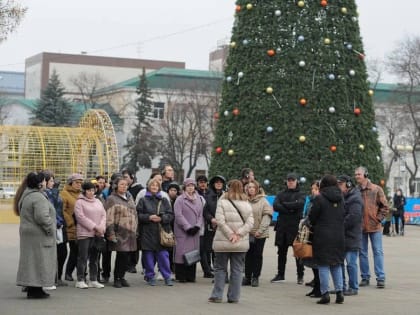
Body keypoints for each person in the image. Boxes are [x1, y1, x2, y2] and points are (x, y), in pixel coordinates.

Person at [208, 179, 253, 303]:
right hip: (240, 242)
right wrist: (238, 234)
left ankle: (217, 295)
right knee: (237, 269)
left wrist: (230, 234)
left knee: (220, 268)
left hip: (222, 241)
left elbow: (219, 221)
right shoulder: (246, 203)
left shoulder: (222, 202)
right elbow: (250, 223)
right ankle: (234, 297)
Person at [15, 171, 57, 299]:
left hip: (29, 234)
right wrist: (51, 229)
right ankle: (36, 289)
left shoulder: (26, 195)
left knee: (30, 262)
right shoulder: (38, 197)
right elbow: (42, 217)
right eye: (44, 180)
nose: (46, 182)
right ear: (39, 183)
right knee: (40, 261)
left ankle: (32, 287)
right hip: (39, 235)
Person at [307, 175, 345, 305]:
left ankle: (325, 294)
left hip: (322, 235)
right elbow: (343, 215)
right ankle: (339, 292)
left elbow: (312, 217)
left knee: (323, 264)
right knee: (336, 263)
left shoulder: (320, 198)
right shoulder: (341, 198)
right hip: (338, 235)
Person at [354, 166, 389, 289]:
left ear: (365, 175)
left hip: (375, 227)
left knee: (378, 252)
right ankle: (365, 277)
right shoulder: (355, 191)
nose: (356, 176)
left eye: (358, 174)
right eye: (356, 174)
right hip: (360, 227)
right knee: (362, 253)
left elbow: (385, 206)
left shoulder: (376, 189)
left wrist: (378, 219)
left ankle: (380, 278)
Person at [137, 178, 174, 286]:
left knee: (163, 256)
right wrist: (149, 217)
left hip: (161, 232)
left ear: (159, 188)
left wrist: (162, 219)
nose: (154, 187)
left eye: (156, 186)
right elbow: (138, 215)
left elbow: (170, 215)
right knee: (148, 256)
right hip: (147, 233)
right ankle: (150, 276)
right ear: (148, 187)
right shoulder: (143, 200)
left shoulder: (164, 200)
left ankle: (167, 276)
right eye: (152, 185)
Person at [271, 173, 305, 284]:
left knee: (298, 253)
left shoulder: (301, 194)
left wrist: (284, 205)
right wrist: (290, 208)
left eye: (292, 180)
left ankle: (300, 276)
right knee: (281, 252)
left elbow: (299, 205)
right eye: (289, 180)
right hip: (282, 227)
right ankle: (280, 274)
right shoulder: (281, 194)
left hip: (295, 227)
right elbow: (276, 206)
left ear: (296, 181)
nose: (290, 182)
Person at [105, 176, 138, 288]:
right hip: (120, 232)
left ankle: (122, 276)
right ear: (116, 186)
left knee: (127, 256)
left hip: (131, 232)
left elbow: (135, 214)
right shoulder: (111, 199)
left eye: (126, 185)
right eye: (121, 184)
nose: (124, 187)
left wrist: (136, 229)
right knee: (121, 255)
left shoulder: (130, 197)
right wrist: (111, 233)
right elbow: (108, 218)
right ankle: (117, 278)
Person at [74, 181, 106, 289]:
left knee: (95, 258)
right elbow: (80, 217)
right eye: (89, 190)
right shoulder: (79, 202)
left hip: (97, 234)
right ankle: (80, 279)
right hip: (84, 234)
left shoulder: (98, 201)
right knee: (83, 257)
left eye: (93, 190)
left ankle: (93, 279)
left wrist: (101, 227)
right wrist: (94, 226)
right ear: (84, 191)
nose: (91, 192)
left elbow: (103, 215)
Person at [173, 178, 205, 283]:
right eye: (188, 186)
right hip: (183, 231)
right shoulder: (180, 199)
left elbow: (201, 215)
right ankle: (181, 276)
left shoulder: (199, 199)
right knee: (181, 253)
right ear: (184, 187)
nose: (191, 187)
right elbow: (178, 215)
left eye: (192, 185)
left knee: (193, 253)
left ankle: (191, 276)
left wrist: (197, 226)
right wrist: (187, 227)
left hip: (194, 231)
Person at [242, 179, 272, 287]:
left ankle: (255, 277)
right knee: (247, 255)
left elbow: (267, 216)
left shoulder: (263, 201)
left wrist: (259, 231)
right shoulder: (243, 200)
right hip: (246, 233)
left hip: (259, 234)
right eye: (249, 187)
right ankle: (247, 277)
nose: (251, 189)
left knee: (257, 255)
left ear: (257, 189)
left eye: (253, 187)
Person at [337, 175, 363, 296]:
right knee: (340, 263)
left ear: (348, 184)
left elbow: (354, 217)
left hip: (352, 236)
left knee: (351, 264)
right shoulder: (342, 197)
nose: (339, 187)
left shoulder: (355, 198)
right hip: (343, 235)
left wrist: (339, 226)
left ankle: (353, 287)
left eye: (340, 184)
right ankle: (341, 286)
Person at [44, 171, 68, 288]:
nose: (54, 183)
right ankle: (51, 277)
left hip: (60, 225)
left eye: (53, 180)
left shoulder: (55, 192)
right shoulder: (46, 193)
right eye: (51, 180)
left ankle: (58, 276)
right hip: (53, 225)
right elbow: (51, 208)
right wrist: (57, 221)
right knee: (54, 253)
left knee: (62, 252)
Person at [201, 175, 226, 278]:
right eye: (216, 182)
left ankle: (222, 273)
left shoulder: (226, 196)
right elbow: (205, 211)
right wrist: (211, 219)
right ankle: (212, 272)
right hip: (211, 227)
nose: (218, 184)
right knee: (210, 250)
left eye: (220, 182)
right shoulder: (208, 196)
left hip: (224, 228)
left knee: (221, 251)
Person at [61, 173, 84, 281]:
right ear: (70, 183)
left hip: (82, 227)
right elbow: (63, 210)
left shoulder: (81, 194)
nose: (79, 185)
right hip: (70, 228)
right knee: (74, 251)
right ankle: (68, 273)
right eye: (76, 182)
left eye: (80, 183)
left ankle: (72, 272)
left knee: (79, 252)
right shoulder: (64, 194)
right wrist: (70, 222)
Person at [122, 169, 144, 274]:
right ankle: (125, 263)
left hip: (134, 219)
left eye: (126, 177)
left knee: (134, 243)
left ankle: (132, 264)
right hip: (124, 220)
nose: (124, 179)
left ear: (132, 177)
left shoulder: (139, 189)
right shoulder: (123, 189)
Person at [302, 180, 321, 298]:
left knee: (317, 263)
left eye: (316, 189)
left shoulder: (320, 202)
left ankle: (319, 287)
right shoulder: (311, 200)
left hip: (317, 234)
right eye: (313, 189)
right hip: (309, 233)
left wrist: (307, 221)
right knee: (311, 262)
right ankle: (315, 286)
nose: (313, 191)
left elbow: (313, 217)